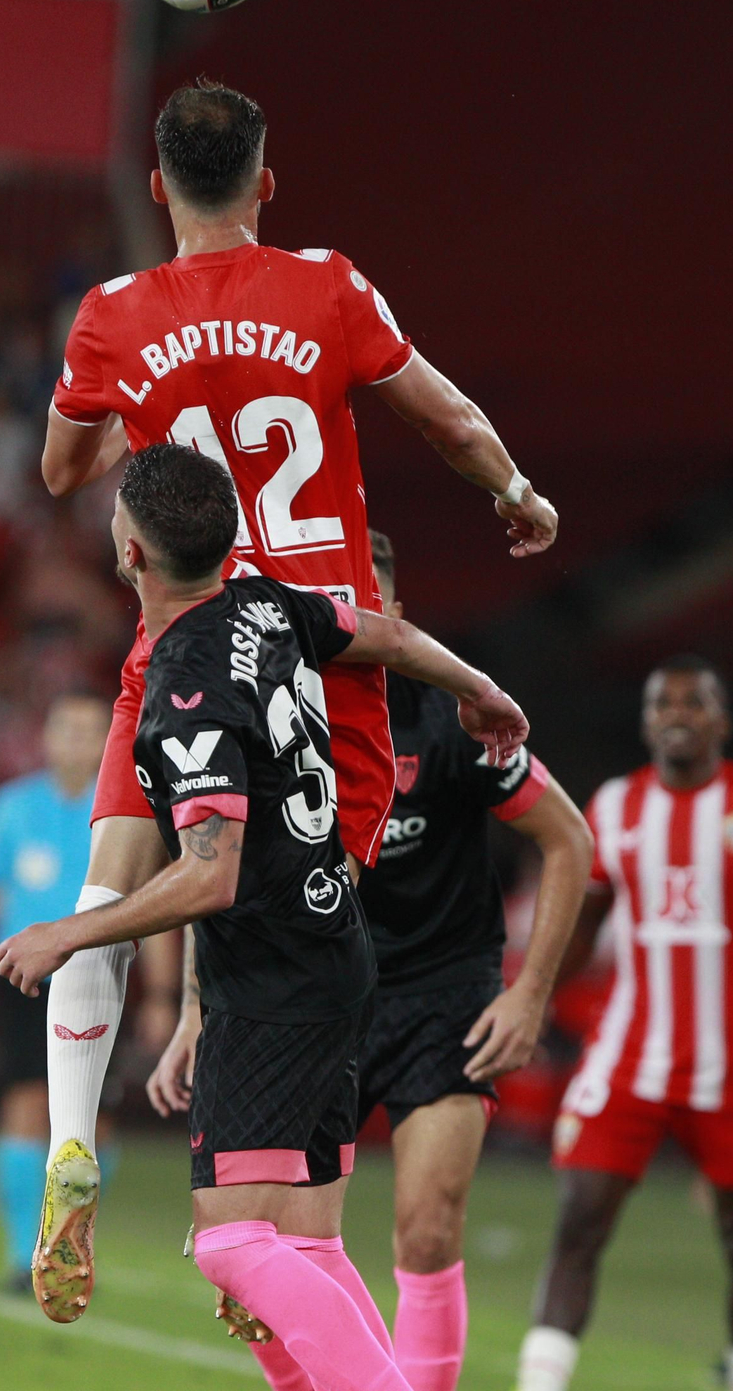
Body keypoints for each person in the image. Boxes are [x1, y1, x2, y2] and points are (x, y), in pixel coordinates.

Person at [33, 78, 560, 1319]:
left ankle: (77, 1143)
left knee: (108, 889)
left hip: (179, 644)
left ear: (156, 186)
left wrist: (139, 413)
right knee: (309, 924)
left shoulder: (111, 316)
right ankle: (284, 1209)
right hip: (328, 664)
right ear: (266, 181)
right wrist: (515, 495)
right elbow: (445, 414)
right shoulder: (327, 284)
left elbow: (62, 467)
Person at [0, 444, 530, 1391]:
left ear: (131, 556)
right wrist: (480, 687)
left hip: (273, 979)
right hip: (334, 952)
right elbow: (391, 638)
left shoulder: (183, 692)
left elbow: (209, 875)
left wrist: (68, 931)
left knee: (233, 1248)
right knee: (307, 1247)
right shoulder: (266, 603)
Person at [149, 528, 593, 1391]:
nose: (346, 611)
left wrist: (531, 993)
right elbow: (222, 872)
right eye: (330, 596)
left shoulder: (448, 723)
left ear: (393, 612)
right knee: (262, 1249)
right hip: (306, 1004)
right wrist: (197, 1014)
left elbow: (569, 839)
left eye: (363, 595)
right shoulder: (261, 711)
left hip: (441, 995)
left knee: (423, 1227)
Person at [516, 658, 733, 1391]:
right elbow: (585, 922)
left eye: (696, 701)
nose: (679, 712)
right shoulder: (615, 805)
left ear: (722, 720)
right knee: (578, 1222)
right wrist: (529, 1000)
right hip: (630, 1056)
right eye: (664, 702)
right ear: (647, 719)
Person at [0, 692, 111, 1292]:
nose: (77, 741)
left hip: (104, 975)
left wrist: (166, 994)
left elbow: (153, 901)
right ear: (47, 737)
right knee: (26, 1104)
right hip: (24, 979)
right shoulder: (11, 807)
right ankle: (21, 1255)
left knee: (93, 1123)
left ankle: (75, 1244)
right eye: (66, 728)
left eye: (90, 731)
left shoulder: (124, 810)